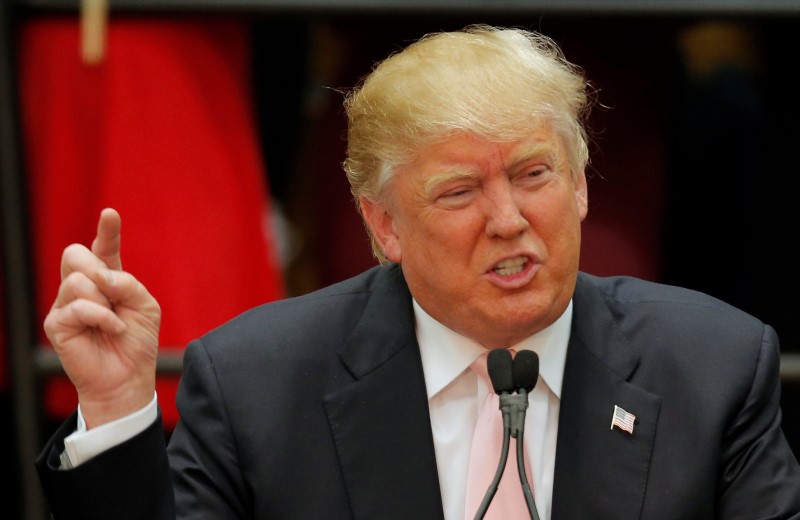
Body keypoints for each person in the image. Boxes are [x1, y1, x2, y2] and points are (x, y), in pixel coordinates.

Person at [36, 24, 800, 520]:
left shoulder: (715, 365)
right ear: (384, 225)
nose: (508, 219)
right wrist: (115, 403)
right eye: (460, 192)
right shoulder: (256, 383)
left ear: (581, 186)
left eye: (535, 174)